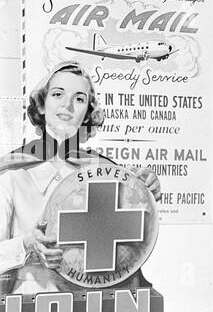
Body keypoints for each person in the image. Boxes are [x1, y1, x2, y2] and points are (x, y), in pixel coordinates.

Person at [0, 60, 160, 296]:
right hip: (29, 303)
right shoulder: (11, 175)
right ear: (42, 105)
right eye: (57, 94)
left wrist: (143, 192)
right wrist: (26, 244)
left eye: (79, 99)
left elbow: (130, 245)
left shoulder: (104, 172)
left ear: (88, 111)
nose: (68, 105)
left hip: (93, 304)